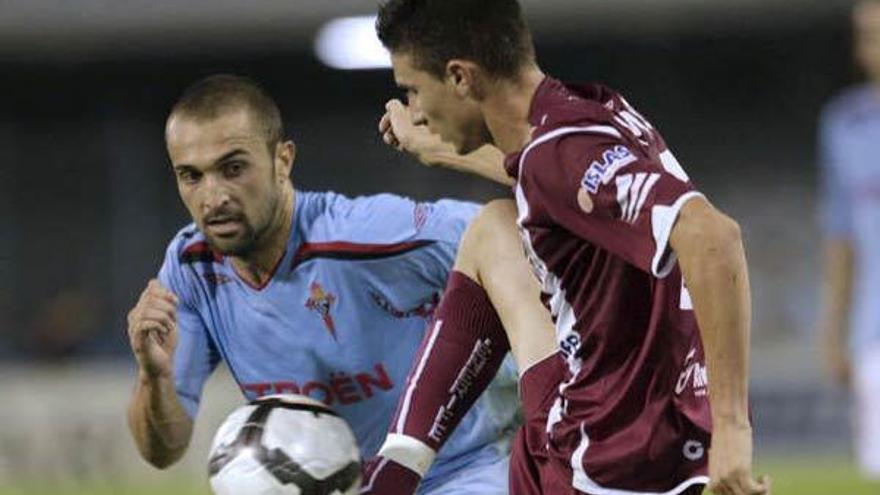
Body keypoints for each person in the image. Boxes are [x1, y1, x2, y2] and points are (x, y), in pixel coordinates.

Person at [363, 1, 771, 494]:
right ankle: (398, 469)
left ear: (460, 77)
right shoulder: (594, 113)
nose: (415, 110)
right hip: (662, 418)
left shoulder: (559, 154)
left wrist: (733, 431)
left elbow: (714, 237)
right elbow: (548, 180)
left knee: (490, 230)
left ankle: (392, 475)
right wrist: (436, 148)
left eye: (412, 89)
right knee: (495, 226)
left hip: (608, 459)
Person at [124, 74, 530, 494]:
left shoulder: (371, 237)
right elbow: (162, 452)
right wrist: (153, 377)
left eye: (233, 168)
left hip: (462, 471)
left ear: (283, 161)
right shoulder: (191, 269)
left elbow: (524, 237)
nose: (213, 197)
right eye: (192, 176)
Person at [818, 0, 880, 480]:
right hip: (873, 332)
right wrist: (833, 329)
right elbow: (841, 236)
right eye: (867, 35)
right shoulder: (843, 125)